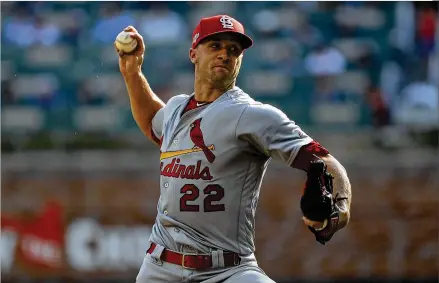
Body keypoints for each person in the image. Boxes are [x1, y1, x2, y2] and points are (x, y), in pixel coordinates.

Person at [116, 15, 352, 283]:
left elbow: (325, 160)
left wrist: (340, 208)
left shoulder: (252, 115)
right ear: (193, 54)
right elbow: (151, 121)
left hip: (228, 270)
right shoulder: (175, 109)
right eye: (215, 46)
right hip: (160, 267)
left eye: (233, 50)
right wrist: (132, 73)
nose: (225, 55)